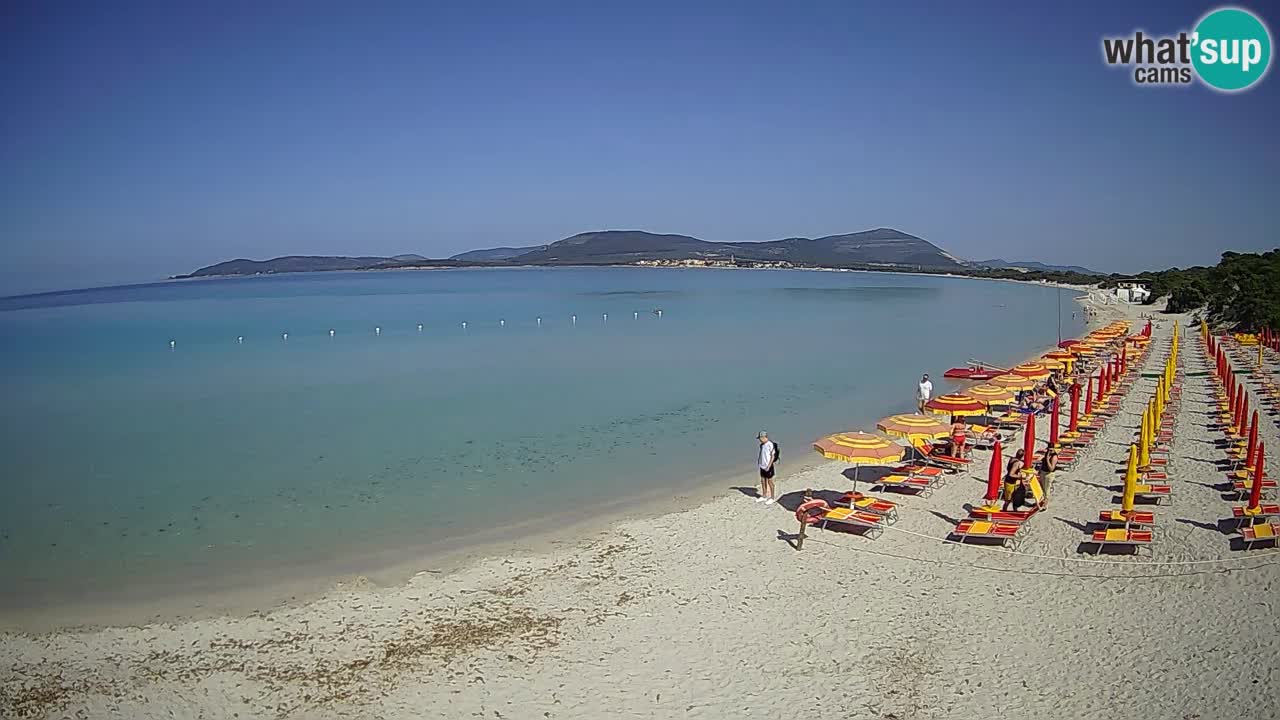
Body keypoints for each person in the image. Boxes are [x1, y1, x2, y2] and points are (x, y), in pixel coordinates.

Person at [756, 431, 778, 504]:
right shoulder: (762, 445)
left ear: (764, 437)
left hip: (768, 466)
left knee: (770, 481)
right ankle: (764, 496)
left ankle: (772, 497)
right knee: (763, 480)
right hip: (762, 465)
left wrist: (769, 465)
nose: (759, 440)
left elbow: (772, 456)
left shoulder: (770, 444)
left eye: (760, 438)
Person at [1038, 445, 1059, 510]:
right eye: (1048, 450)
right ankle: (1042, 501)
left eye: (1051, 450)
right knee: (1042, 488)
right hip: (1043, 472)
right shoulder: (1047, 453)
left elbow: (1051, 468)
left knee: (1047, 489)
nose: (1049, 451)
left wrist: (1047, 459)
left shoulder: (1054, 456)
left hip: (1049, 474)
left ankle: (1045, 504)